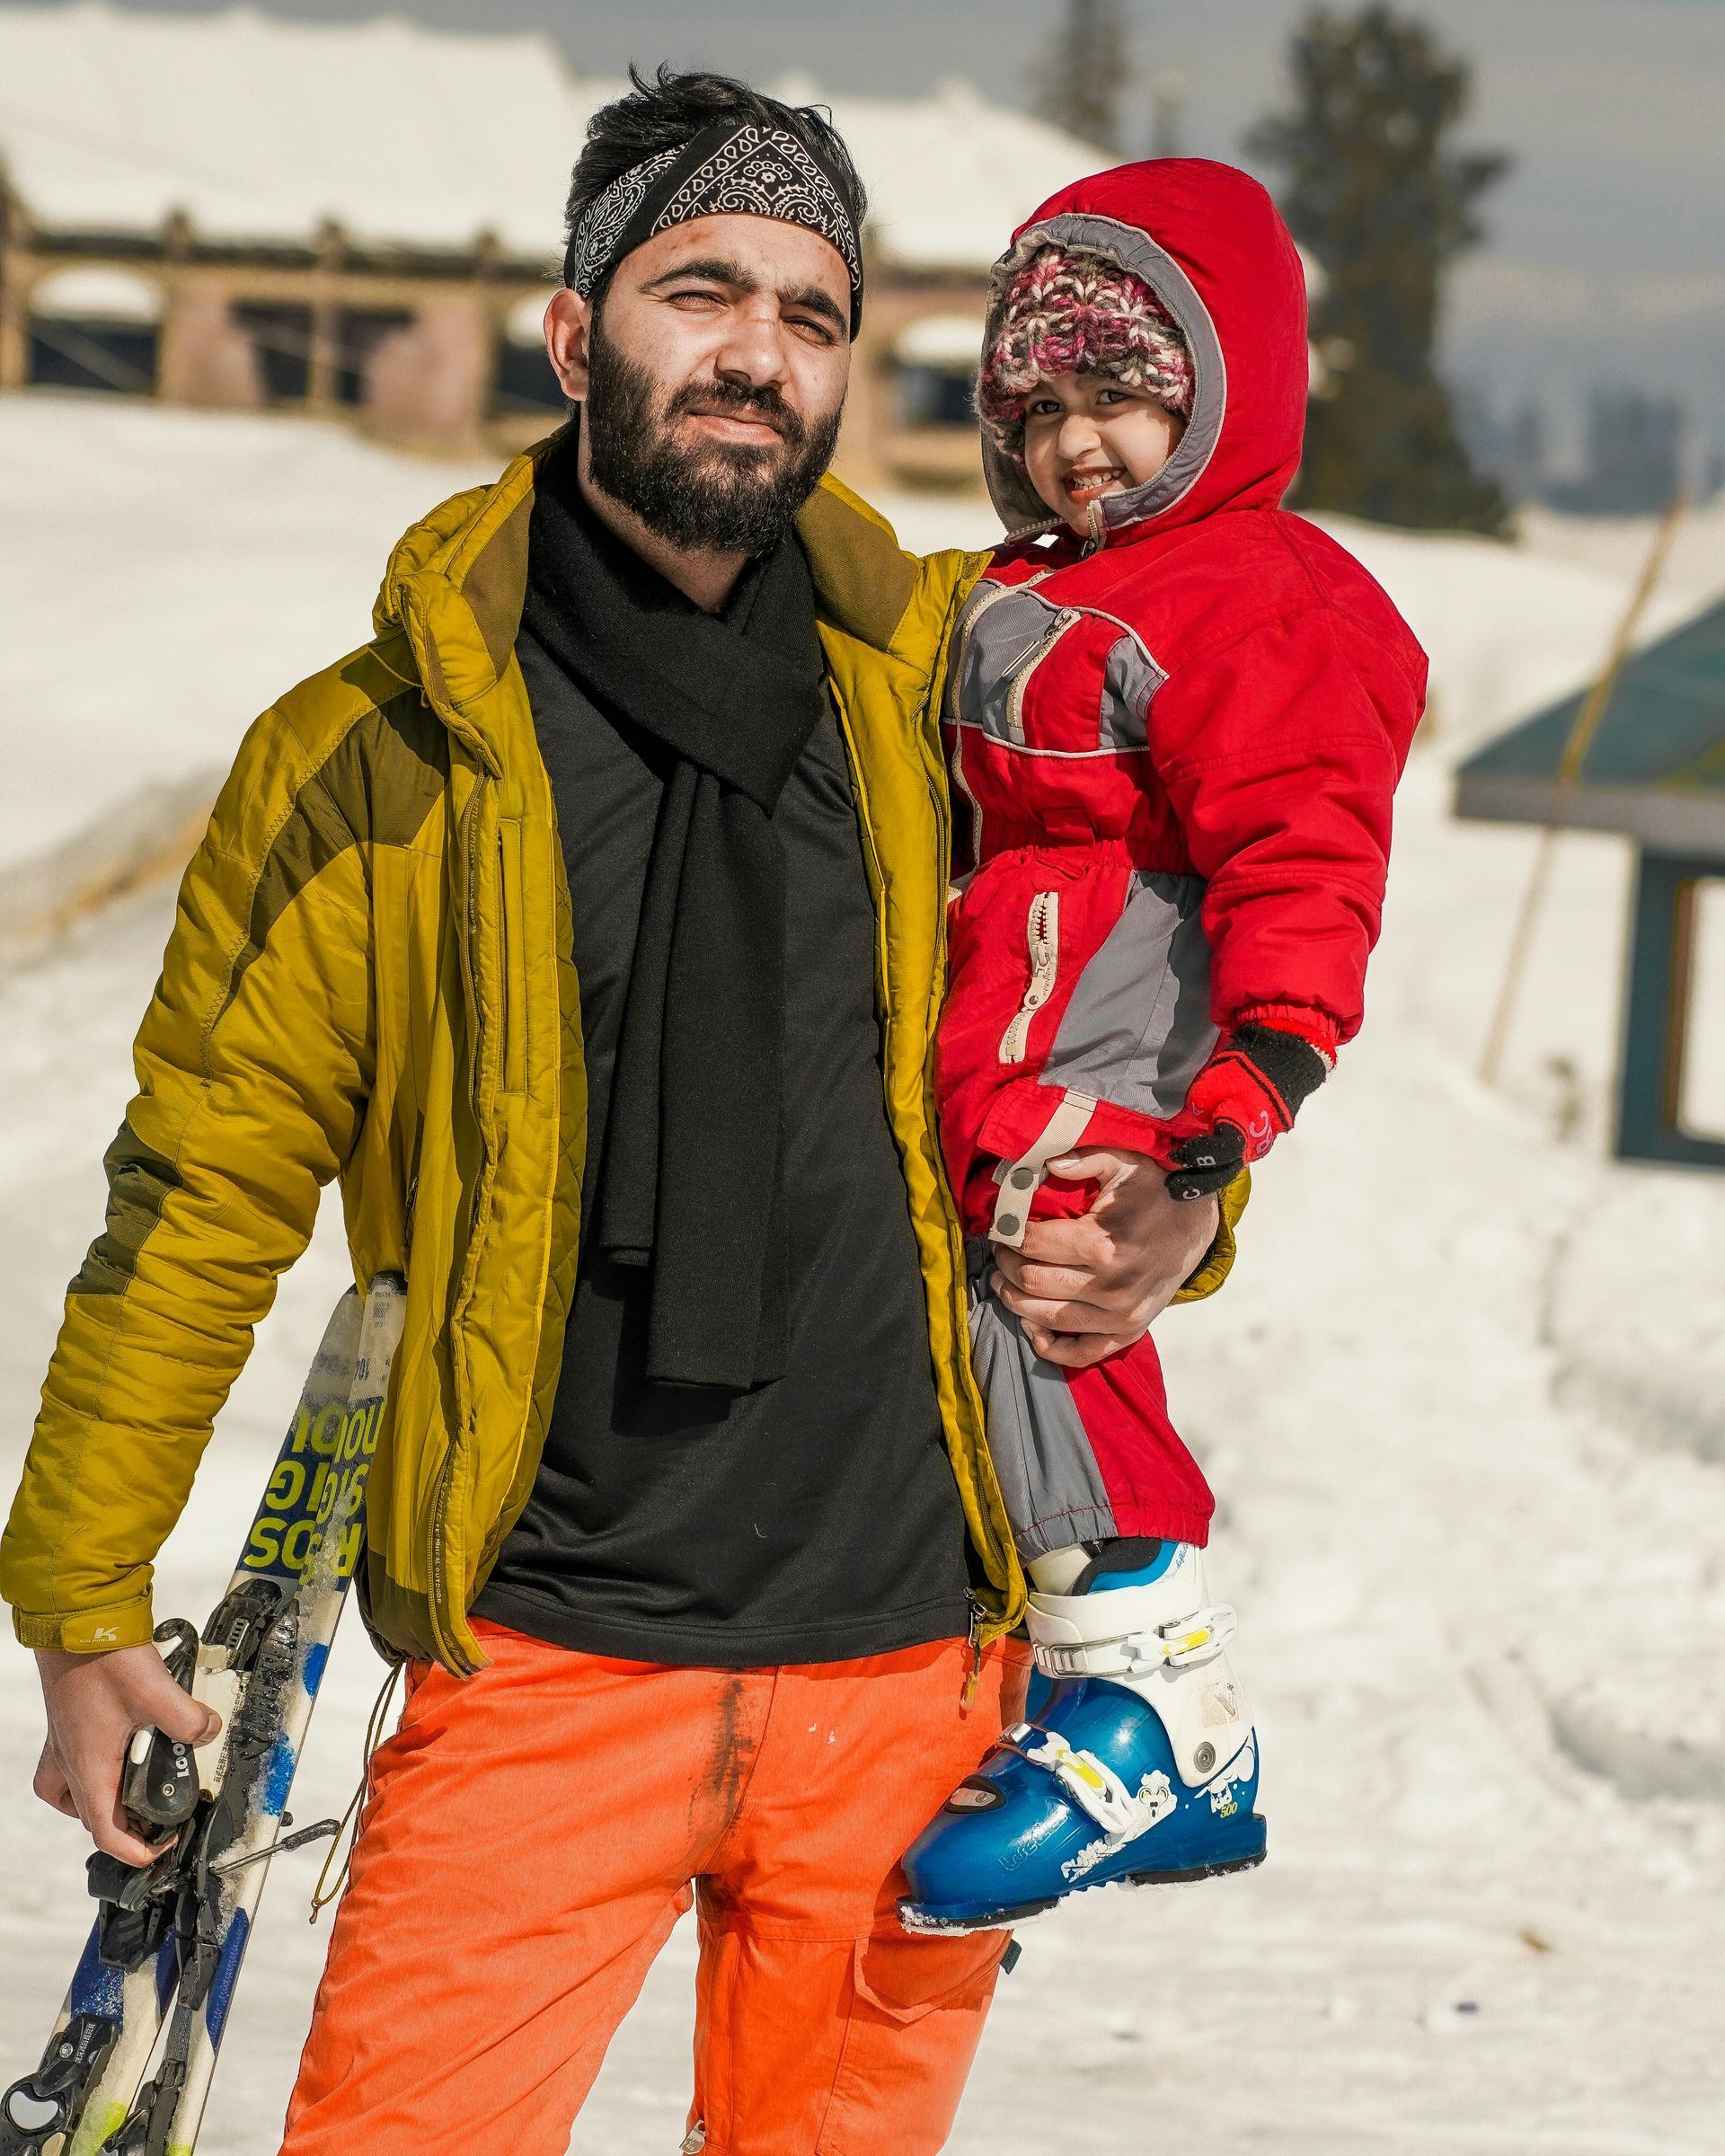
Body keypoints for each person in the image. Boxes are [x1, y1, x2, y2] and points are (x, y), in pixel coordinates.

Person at [0, 73, 1243, 2156]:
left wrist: (1189, 1202)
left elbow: (1133, 991)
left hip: (915, 1682)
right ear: (578, 334)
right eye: (704, 290)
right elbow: (202, 1189)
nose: (761, 351)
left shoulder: (958, 700)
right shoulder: (375, 753)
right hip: (544, 1671)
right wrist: (84, 1600)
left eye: (815, 313)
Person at [897, 159, 1427, 1933]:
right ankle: (1095, 1697)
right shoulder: (1022, 587)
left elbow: (1305, 846)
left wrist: (1249, 1080)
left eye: (1123, 393)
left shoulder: (1254, 593)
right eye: (1035, 405)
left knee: (1057, 1286)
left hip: (1121, 1022)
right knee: (992, 1311)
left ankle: (1158, 1698)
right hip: (1011, 1020)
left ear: (1230, 387)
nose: (1076, 445)